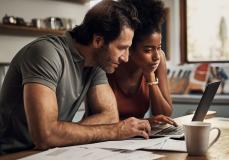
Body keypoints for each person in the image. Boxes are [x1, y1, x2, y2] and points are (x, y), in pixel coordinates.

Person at [0, 0, 151, 154]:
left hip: (49, 152)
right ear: (98, 41)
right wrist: (116, 131)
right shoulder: (46, 53)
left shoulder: (96, 63)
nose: (125, 58)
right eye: (121, 48)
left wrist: (64, 133)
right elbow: (45, 135)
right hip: (13, 154)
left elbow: (110, 116)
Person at [108, 0, 177, 126]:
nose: (156, 56)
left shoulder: (158, 60)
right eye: (148, 50)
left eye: (159, 47)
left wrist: (150, 76)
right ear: (129, 48)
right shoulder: (110, 64)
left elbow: (165, 114)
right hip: (103, 139)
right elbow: (100, 121)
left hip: (136, 139)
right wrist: (144, 122)